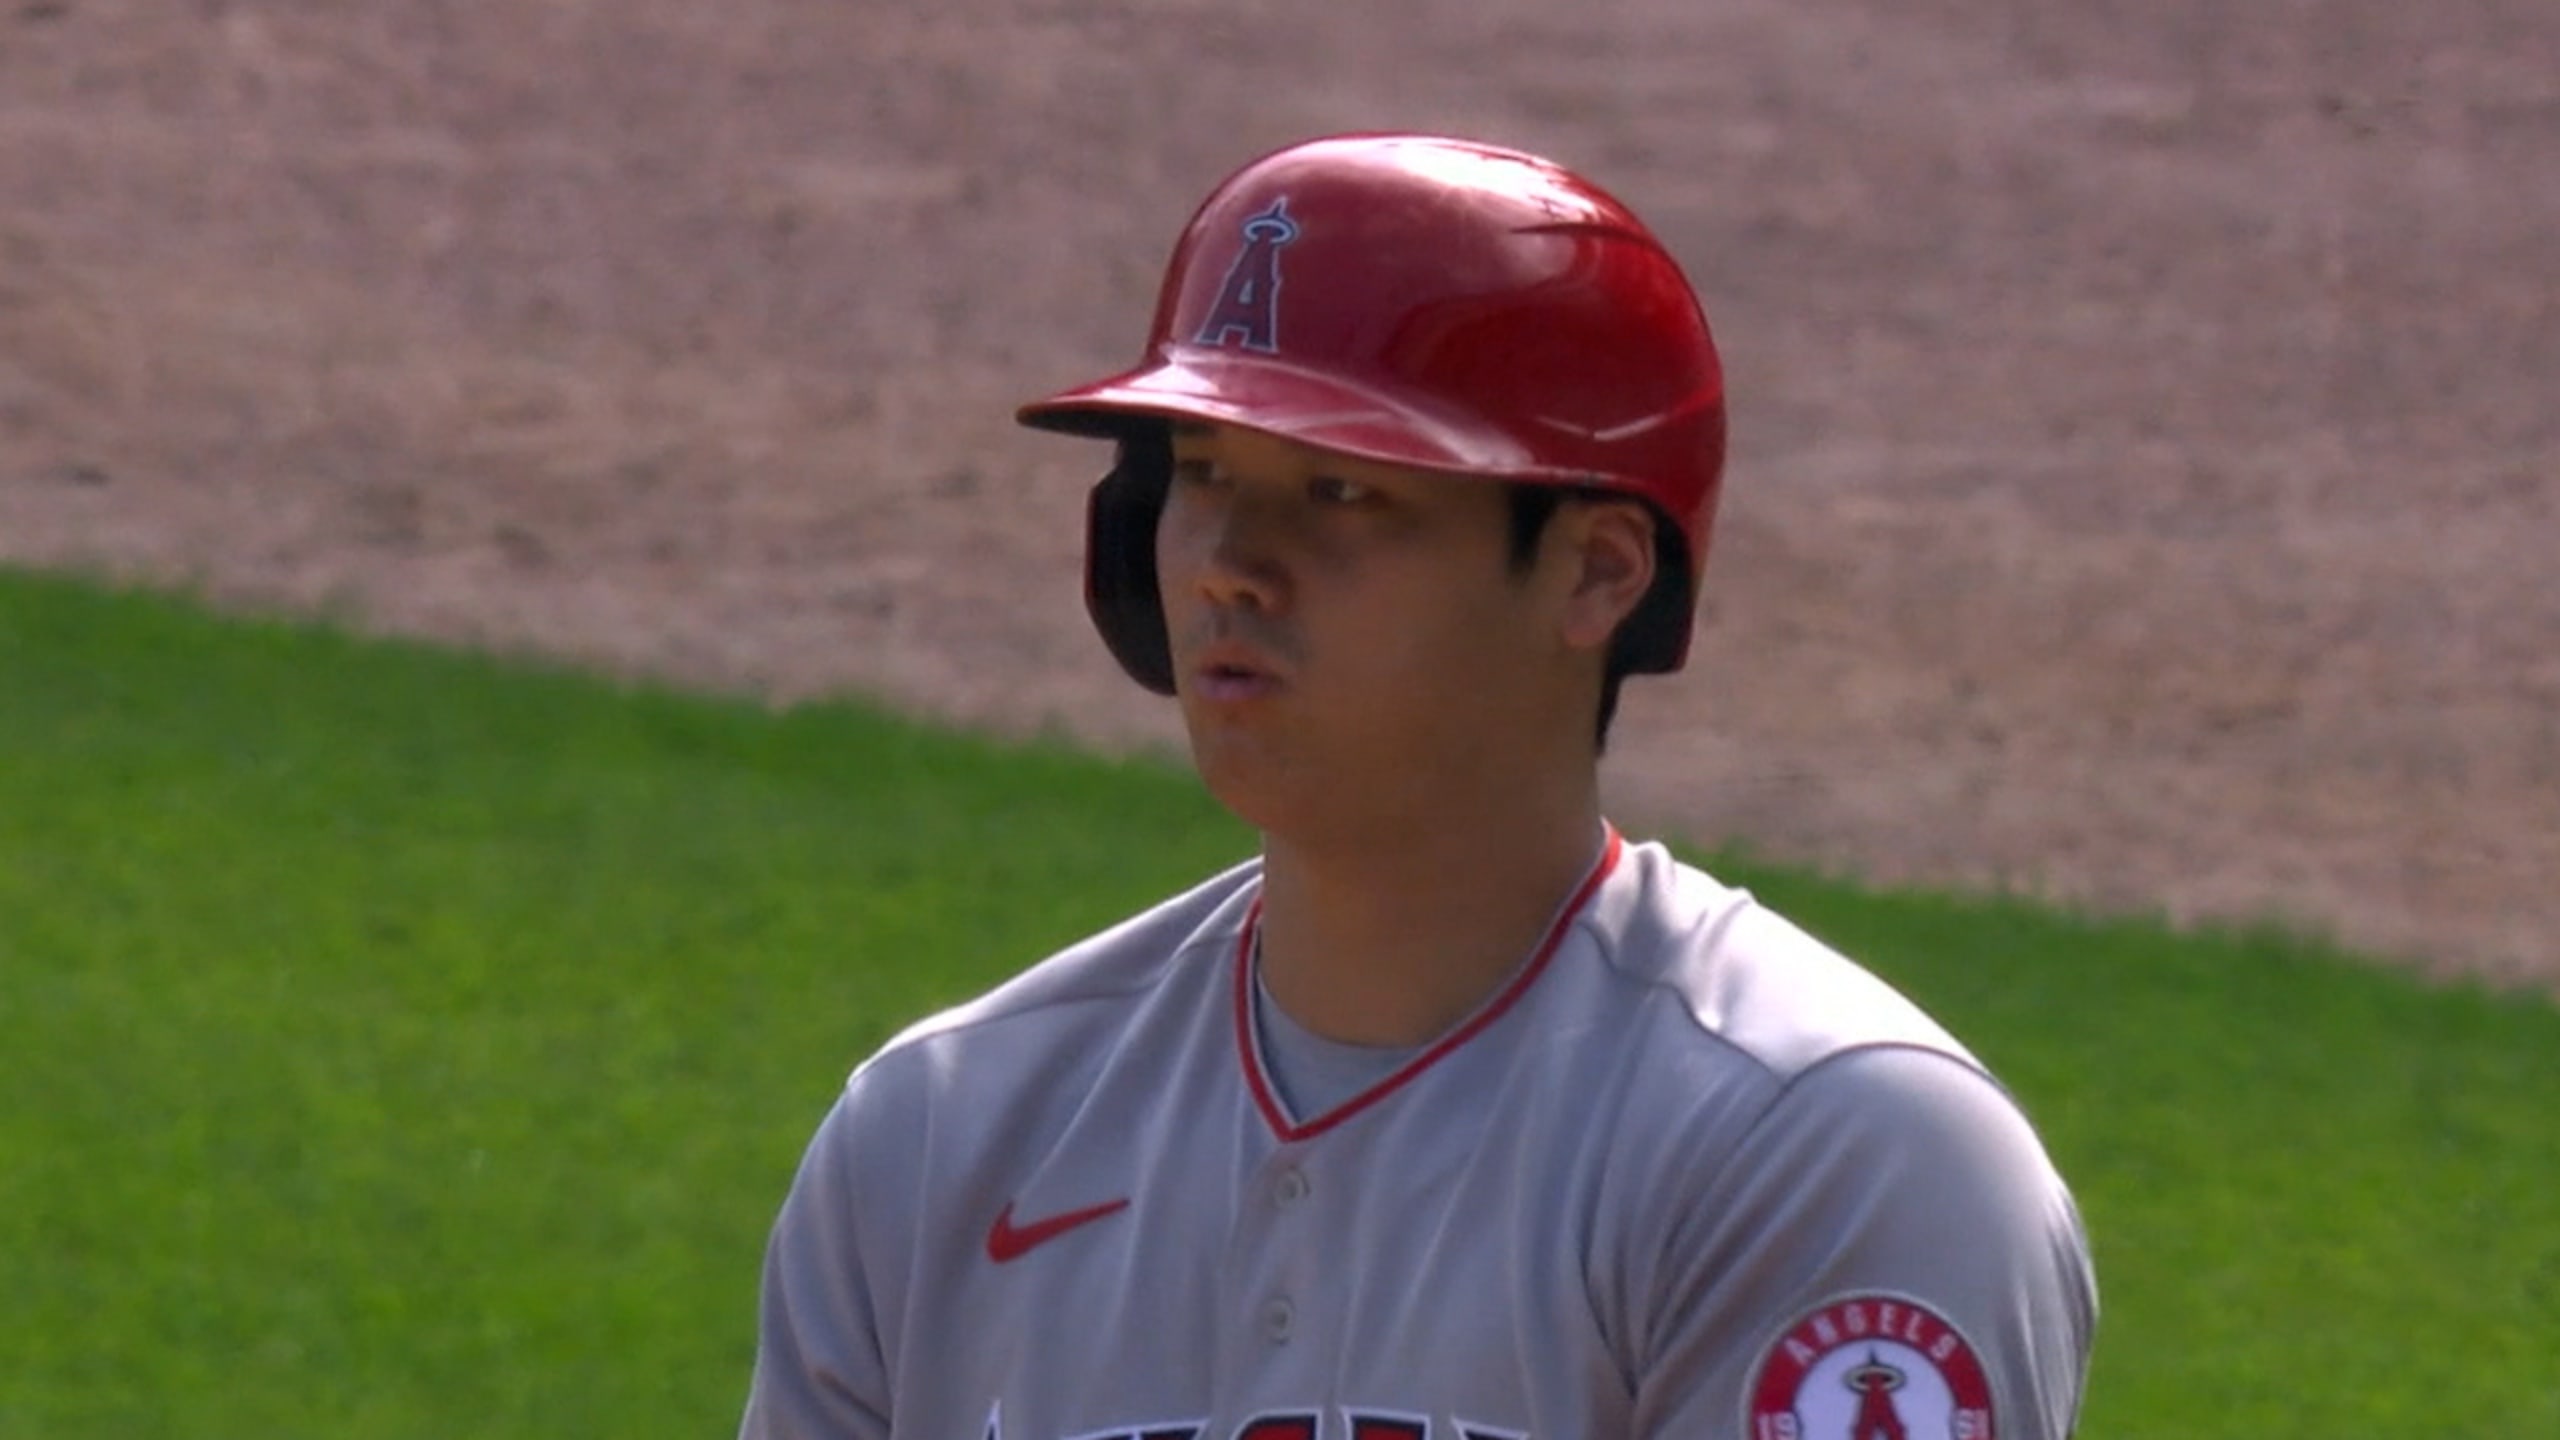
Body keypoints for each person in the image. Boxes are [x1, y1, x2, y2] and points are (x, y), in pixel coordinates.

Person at [740, 133, 2096, 1440]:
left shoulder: (1821, 1151)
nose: (1229, 566)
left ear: (1596, 571)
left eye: (1339, 492)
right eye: (1203, 476)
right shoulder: (941, 1136)